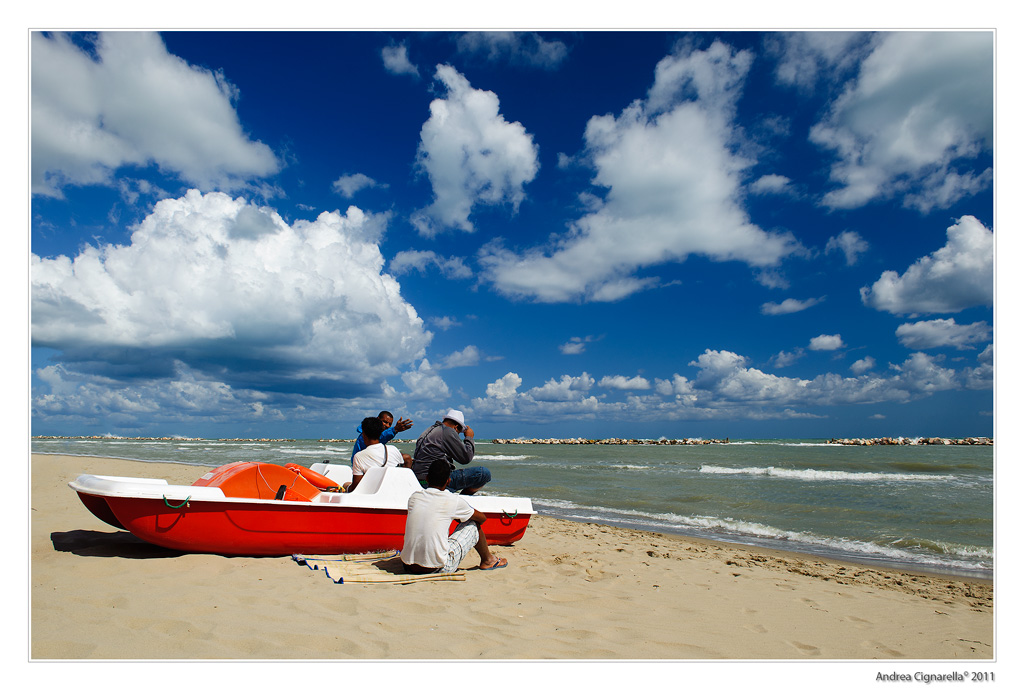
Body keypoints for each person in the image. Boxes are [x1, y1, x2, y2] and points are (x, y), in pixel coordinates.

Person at [400, 458, 507, 574]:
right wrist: (459, 516)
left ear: (427, 479)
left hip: (407, 565)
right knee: (473, 524)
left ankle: (488, 559)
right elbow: (482, 518)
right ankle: (488, 560)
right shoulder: (452, 500)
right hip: (437, 568)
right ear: (449, 481)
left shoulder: (414, 497)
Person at [411, 409, 490, 494]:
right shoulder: (447, 431)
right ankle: (463, 498)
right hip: (435, 481)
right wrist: (469, 437)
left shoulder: (429, 430)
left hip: (420, 479)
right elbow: (466, 457)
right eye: (458, 433)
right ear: (455, 428)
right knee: (483, 473)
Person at [347, 417, 413, 491]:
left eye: (389, 424)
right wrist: (394, 430)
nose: (387, 425)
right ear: (381, 431)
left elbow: (356, 488)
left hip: (372, 492)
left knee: (346, 484)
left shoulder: (359, 456)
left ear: (363, 434)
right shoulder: (394, 449)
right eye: (385, 422)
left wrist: (346, 488)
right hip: (393, 490)